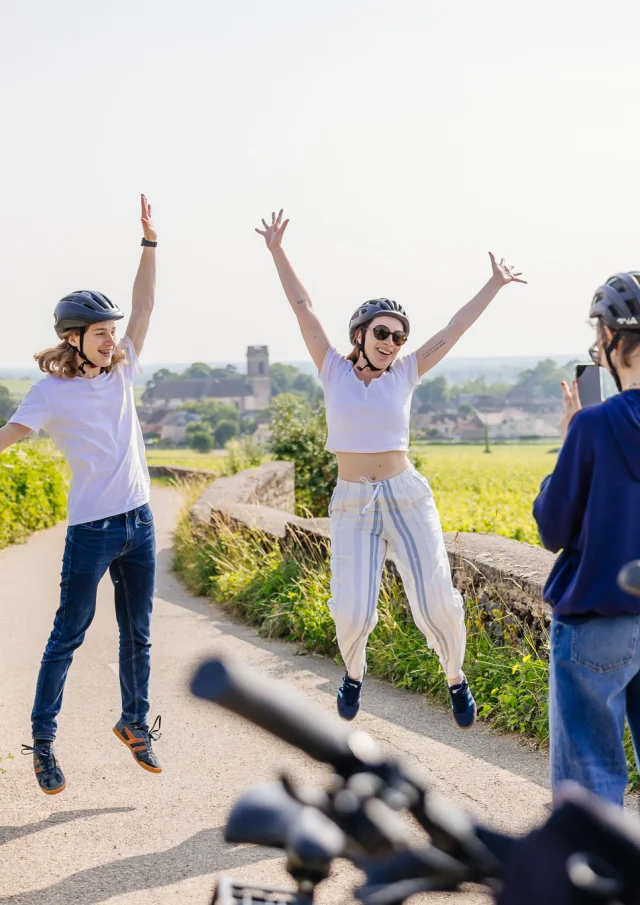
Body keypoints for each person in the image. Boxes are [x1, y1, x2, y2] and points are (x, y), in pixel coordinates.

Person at [256, 209, 526, 725]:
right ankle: (354, 673)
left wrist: (493, 284)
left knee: (437, 603)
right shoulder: (332, 369)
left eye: (399, 337)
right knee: (352, 610)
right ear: (360, 334)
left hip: (406, 496)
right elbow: (303, 307)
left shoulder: (407, 372)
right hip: (353, 503)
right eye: (383, 332)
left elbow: (455, 328)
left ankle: (455, 677)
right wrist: (277, 250)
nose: (391, 343)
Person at [0, 195, 161, 794]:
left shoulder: (123, 368)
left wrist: (149, 243)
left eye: (112, 332)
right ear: (73, 339)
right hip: (93, 530)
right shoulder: (49, 392)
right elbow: (10, 436)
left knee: (138, 633)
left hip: (140, 522)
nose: (111, 340)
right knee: (67, 635)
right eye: (100, 333)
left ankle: (134, 723)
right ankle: (43, 744)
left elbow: (144, 304)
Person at [533, 272, 640, 806]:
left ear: (612, 339)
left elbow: (553, 528)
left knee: (591, 789)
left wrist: (569, 441)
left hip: (598, 622)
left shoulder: (593, 426)